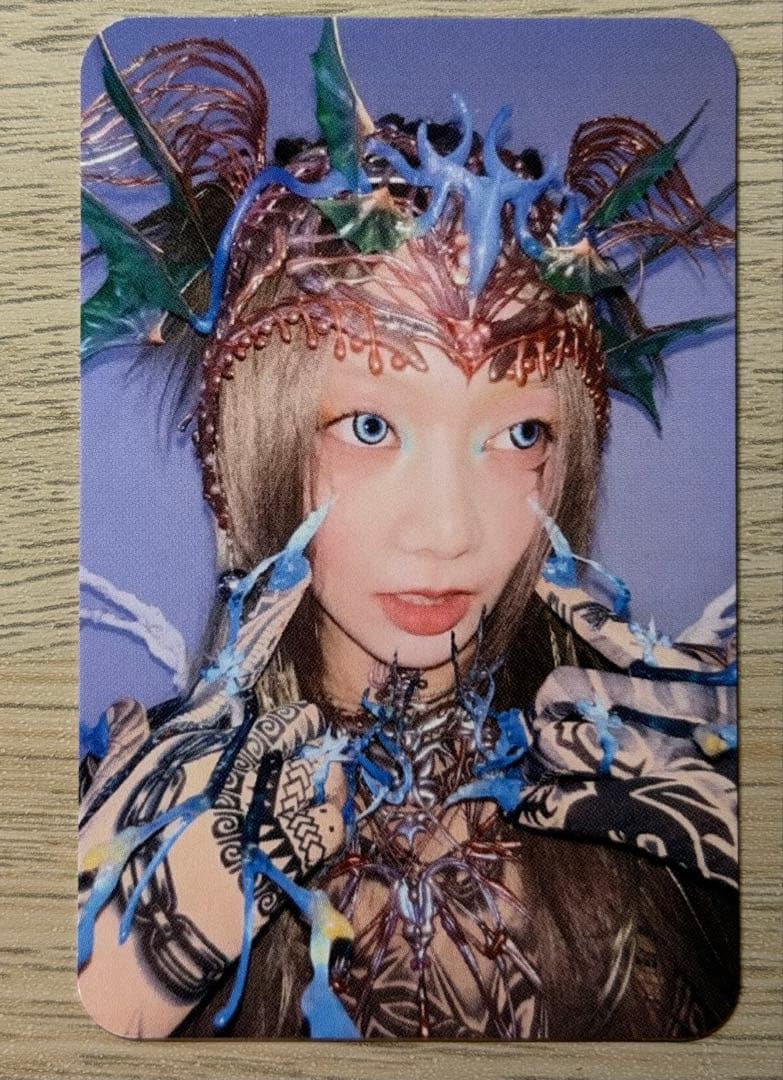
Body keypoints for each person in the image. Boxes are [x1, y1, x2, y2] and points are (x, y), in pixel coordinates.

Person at [77, 21, 738, 1040]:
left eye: (519, 433)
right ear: (244, 459)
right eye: (370, 427)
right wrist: (113, 998)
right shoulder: (108, 834)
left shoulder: (669, 799)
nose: (447, 530)